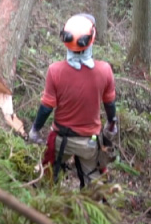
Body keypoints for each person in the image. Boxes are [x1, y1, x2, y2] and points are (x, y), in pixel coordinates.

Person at [29, 13, 118, 188]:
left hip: (61, 140)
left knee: (47, 180)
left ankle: (45, 205)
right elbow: (110, 104)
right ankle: (92, 209)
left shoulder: (55, 71)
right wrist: (111, 123)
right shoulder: (105, 70)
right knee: (94, 188)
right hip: (89, 142)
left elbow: (47, 107)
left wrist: (35, 130)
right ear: (92, 40)